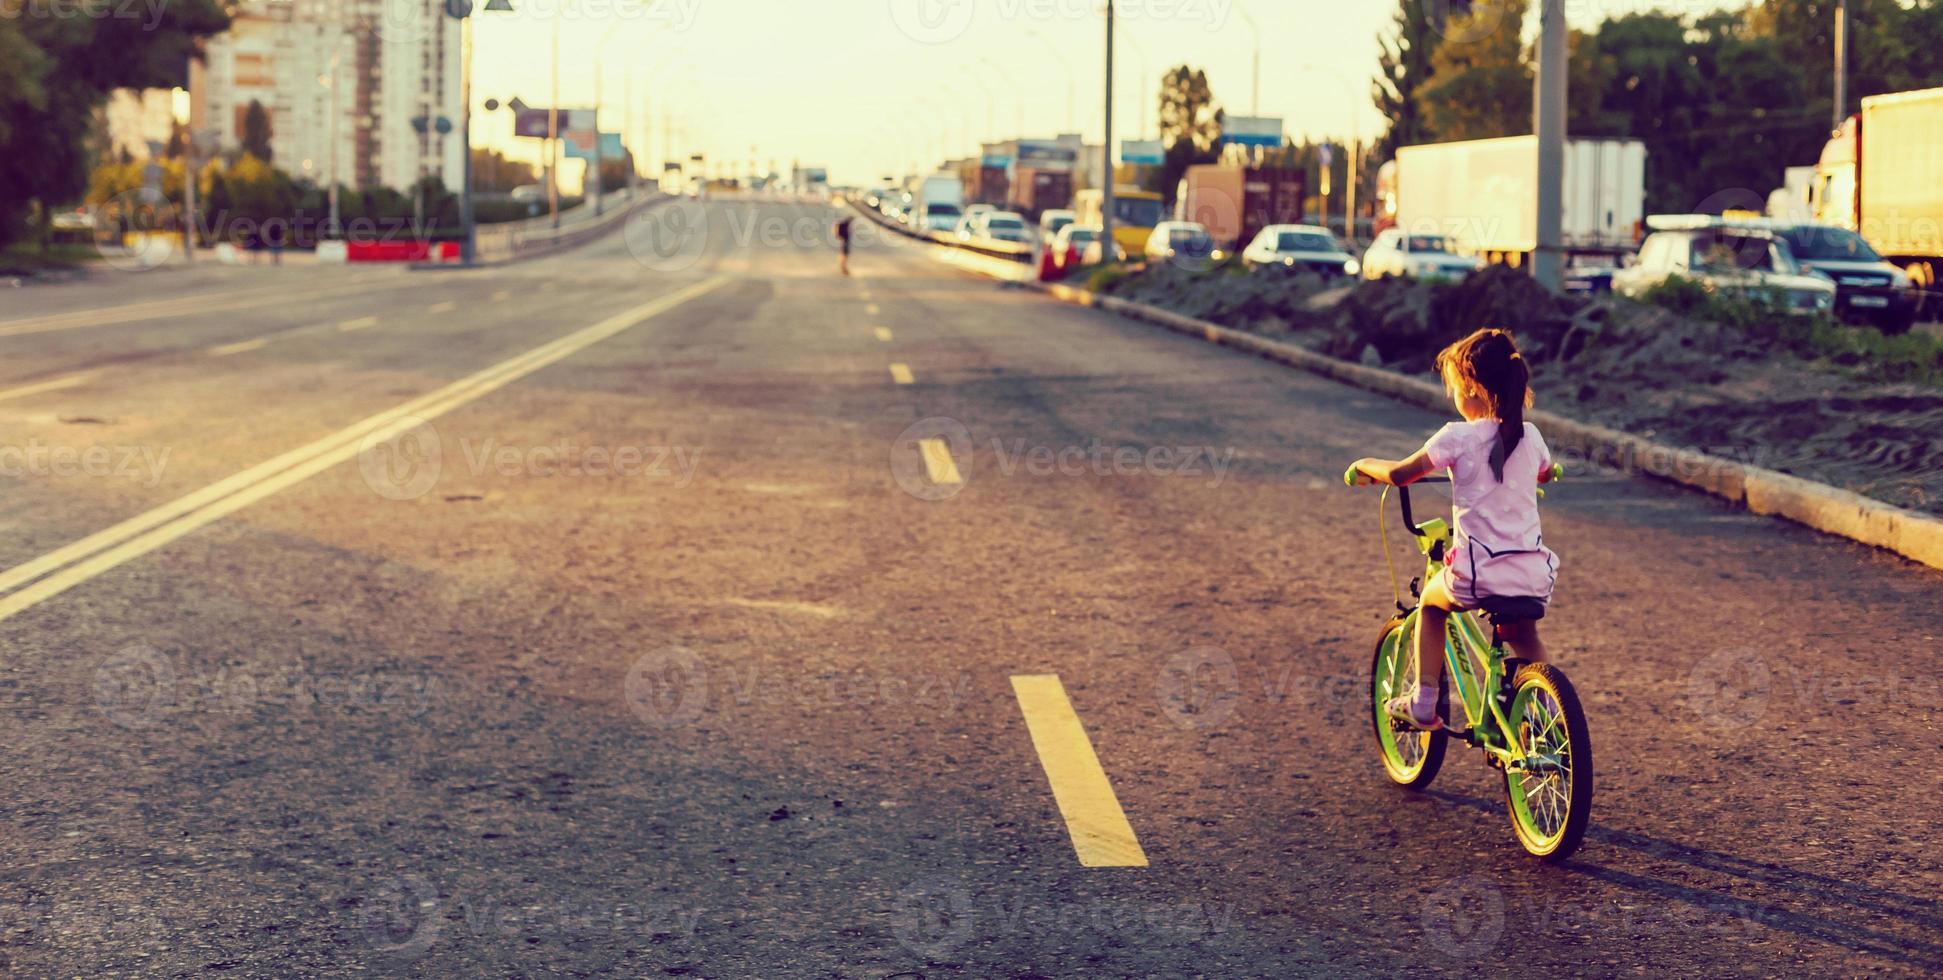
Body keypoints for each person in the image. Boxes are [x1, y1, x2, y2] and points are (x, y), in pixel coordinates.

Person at [1348, 328, 1558, 729]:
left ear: (1473, 389)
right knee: (1523, 635)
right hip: (1531, 572)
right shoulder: (1530, 436)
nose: (1453, 397)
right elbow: (1545, 473)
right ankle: (1550, 716)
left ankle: (1423, 703)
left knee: (1430, 603)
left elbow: (1399, 474)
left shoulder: (1457, 437)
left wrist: (1364, 465)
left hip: (1477, 572)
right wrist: (1542, 476)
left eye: (1455, 387)